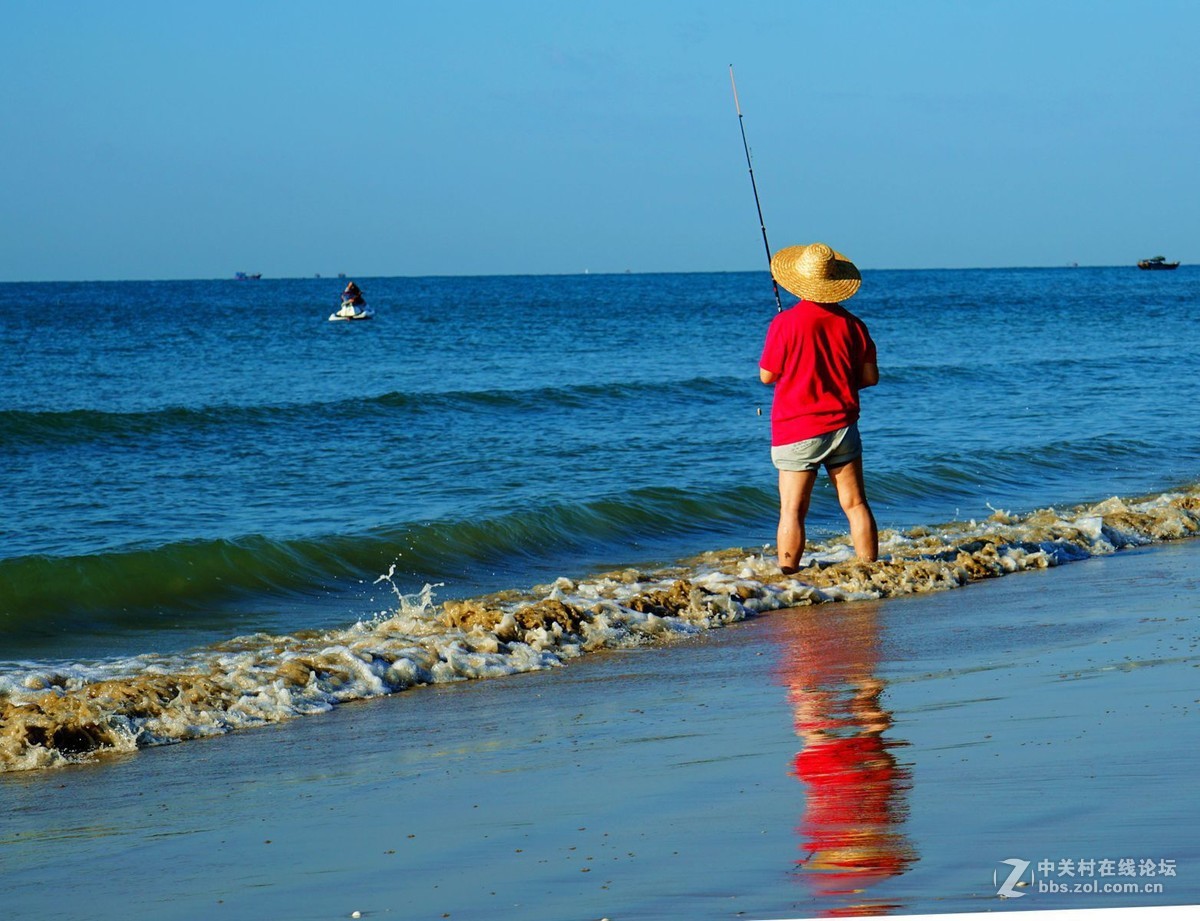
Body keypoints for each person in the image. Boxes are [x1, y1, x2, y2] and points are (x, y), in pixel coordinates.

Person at [758, 242, 879, 573]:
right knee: (856, 504)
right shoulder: (855, 325)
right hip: (843, 427)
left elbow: (767, 376)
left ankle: (788, 578)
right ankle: (871, 572)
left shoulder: (784, 324)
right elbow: (870, 377)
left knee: (793, 510)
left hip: (796, 429)